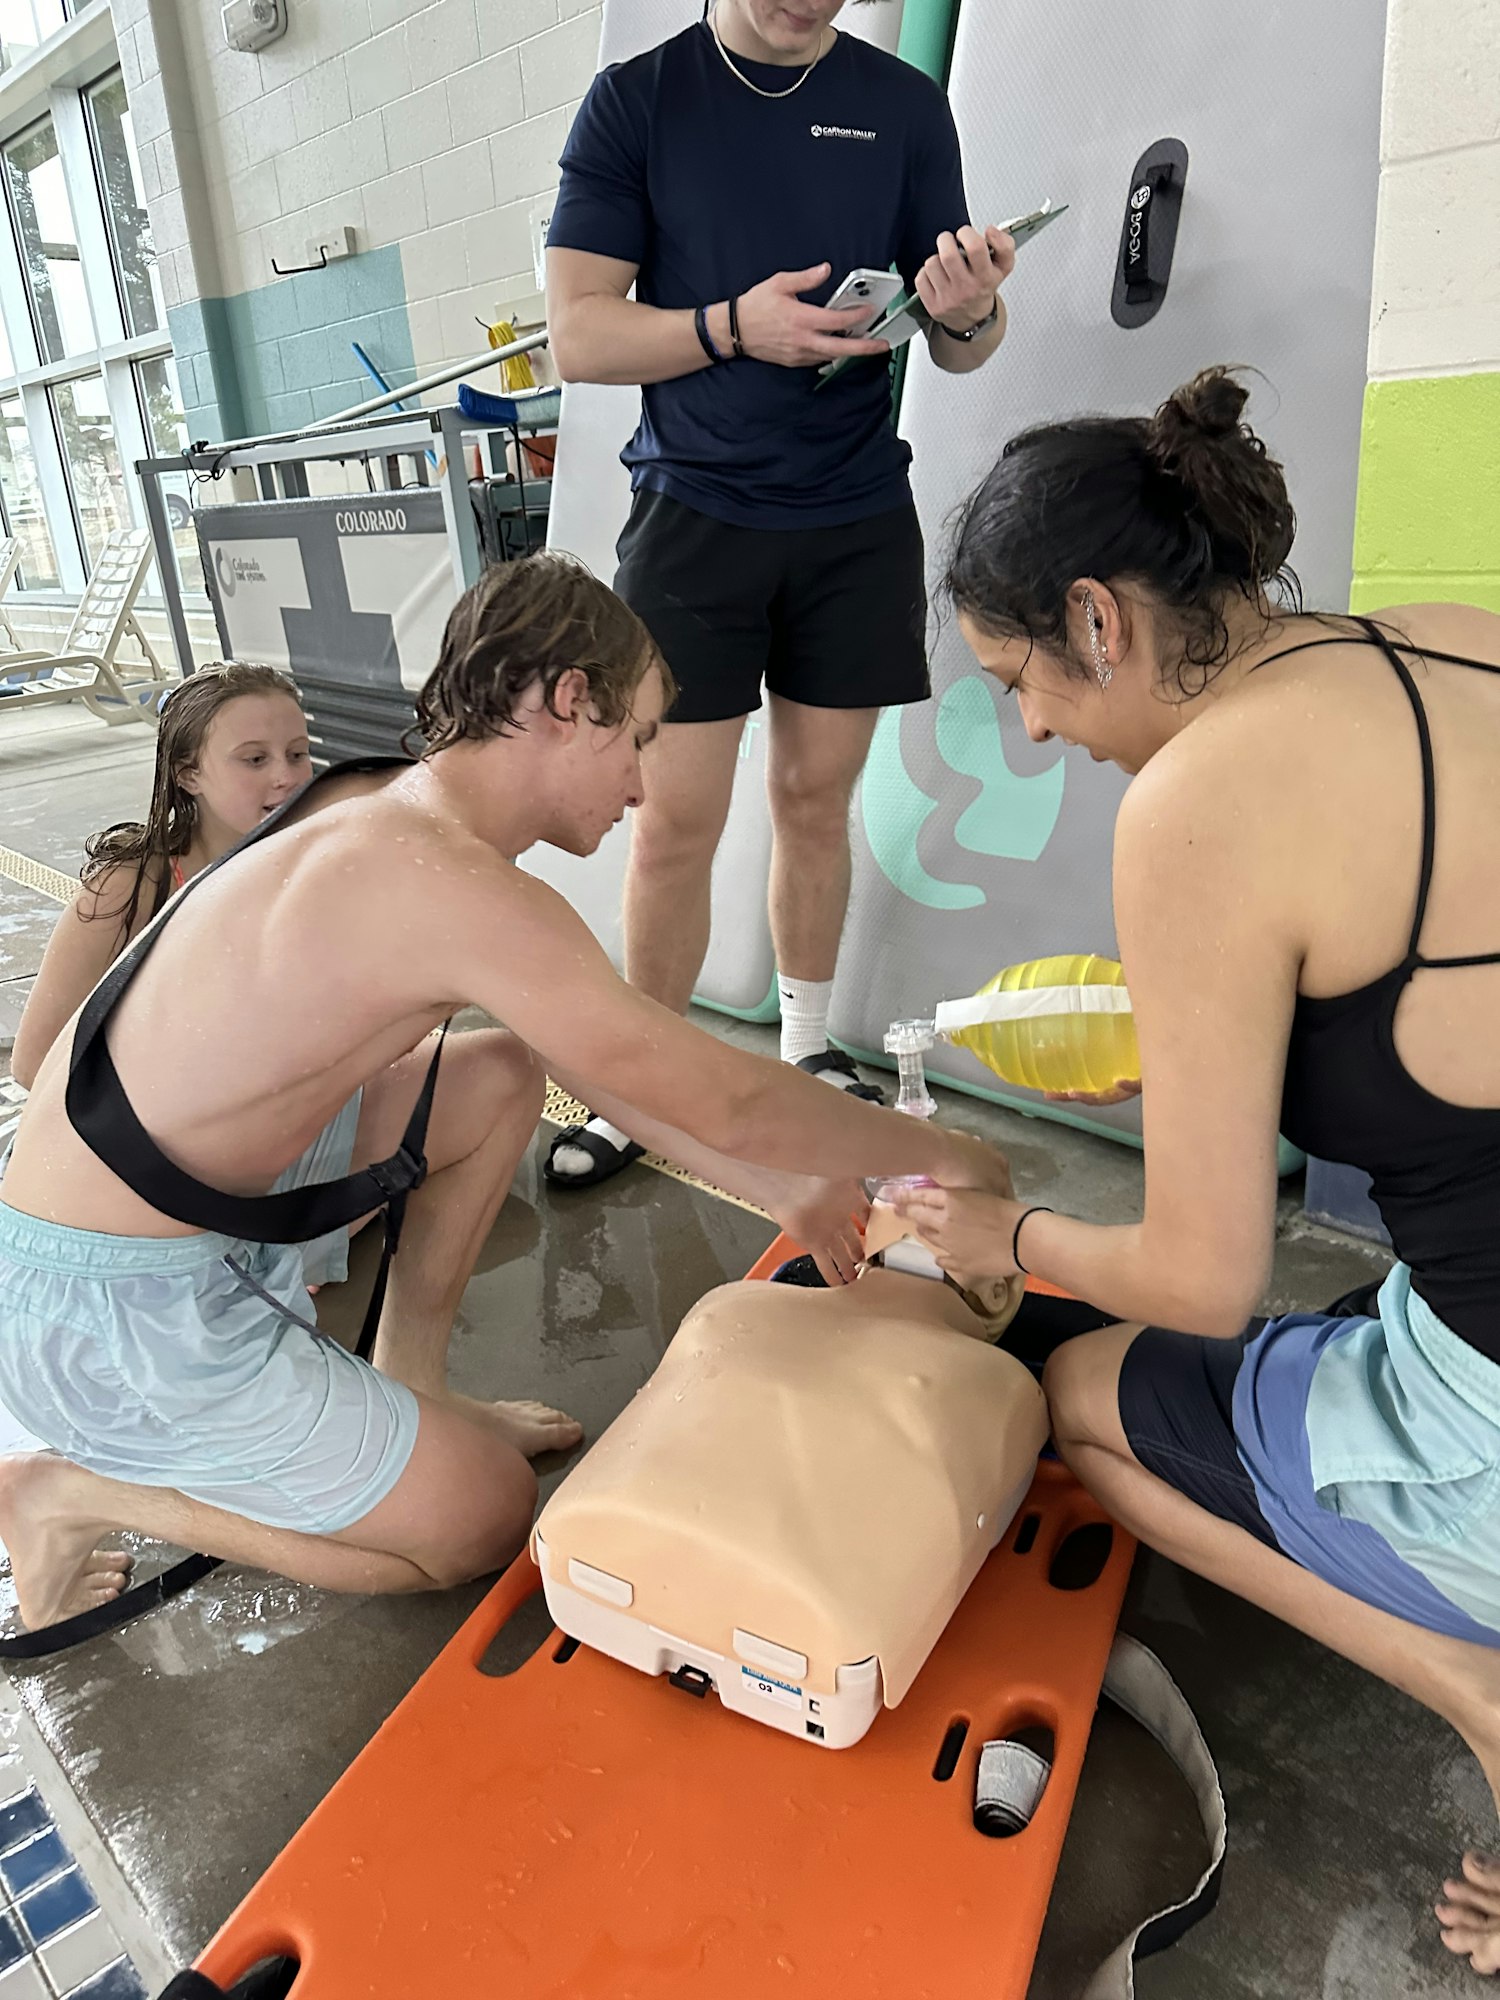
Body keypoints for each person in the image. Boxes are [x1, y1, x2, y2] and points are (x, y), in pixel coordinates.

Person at [0, 553, 1011, 1638]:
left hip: (135, 1212)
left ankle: (415, 1385)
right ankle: (72, 1492)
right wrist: (947, 1158)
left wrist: (788, 1187)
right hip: (113, 1307)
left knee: (493, 1074)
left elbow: (607, 1062)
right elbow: (723, 1095)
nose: (639, 786)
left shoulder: (378, 803)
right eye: (639, 741)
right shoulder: (448, 881)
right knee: (479, 1519)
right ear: (570, 700)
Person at [892, 368, 1500, 1971]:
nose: (1027, 726)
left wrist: (1010, 1232)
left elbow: (1208, 1277)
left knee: (1092, 1401)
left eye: (1019, 679)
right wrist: (1213, 1044)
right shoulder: (1453, 631)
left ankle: (1479, 1693)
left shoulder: (1195, 805)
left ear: (1101, 623)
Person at [543, 0, 1016, 1186]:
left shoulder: (903, 104)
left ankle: (805, 1047)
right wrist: (731, 329)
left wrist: (972, 308)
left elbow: (956, 345)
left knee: (817, 800)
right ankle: (645, 1086)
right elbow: (581, 337)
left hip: (853, 511)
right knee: (671, 825)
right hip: (693, 515)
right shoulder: (639, 103)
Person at [6, 664, 360, 1291]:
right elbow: (35, 1062)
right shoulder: (129, 885)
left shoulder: (310, 871)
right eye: (254, 759)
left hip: (261, 1130)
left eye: (298, 753)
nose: (286, 775)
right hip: (142, 1152)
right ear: (188, 773)